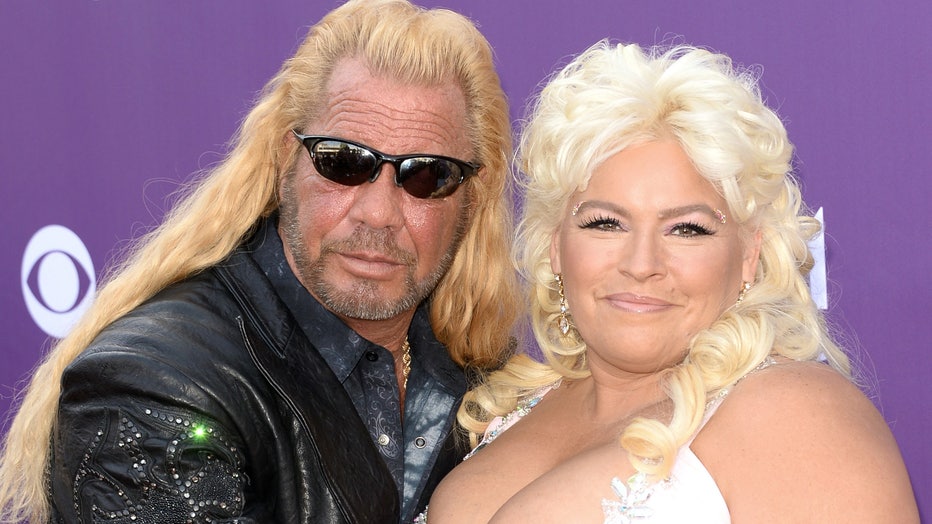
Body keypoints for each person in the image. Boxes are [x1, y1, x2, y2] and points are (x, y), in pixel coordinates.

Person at [0, 0, 519, 522]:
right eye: (343, 162)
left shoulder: (479, 373)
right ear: (281, 159)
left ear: (471, 197)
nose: (379, 213)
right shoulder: (157, 385)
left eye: (425, 175)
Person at [422, 42, 919, 522]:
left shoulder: (795, 413)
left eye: (687, 229)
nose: (642, 263)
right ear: (555, 244)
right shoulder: (513, 410)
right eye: (604, 222)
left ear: (749, 256)